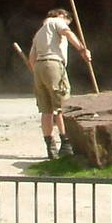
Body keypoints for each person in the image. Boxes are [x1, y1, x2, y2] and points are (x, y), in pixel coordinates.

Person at [27, 8, 91, 160]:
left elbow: (31, 59)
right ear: (61, 16)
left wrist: (38, 73)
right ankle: (66, 144)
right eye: (67, 19)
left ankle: (50, 147)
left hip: (39, 67)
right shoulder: (57, 22)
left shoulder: (39, 33)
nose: (68, 23)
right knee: (62, 106)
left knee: (46, 110)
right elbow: (68, 34)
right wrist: (82, 49)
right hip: (54, 64)